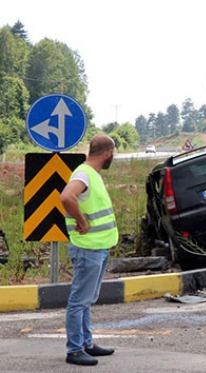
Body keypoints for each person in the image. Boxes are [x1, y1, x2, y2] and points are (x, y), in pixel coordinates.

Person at [59, 134, 119, 366]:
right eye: (113, 153)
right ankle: (74, 350)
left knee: (86, 300)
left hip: (97, 247)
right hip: (87, 248)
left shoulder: (92, 174)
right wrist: (82, 221)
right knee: (79, 300)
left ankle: (87, 344)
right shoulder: (84, 173)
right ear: (108, 153)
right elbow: (66, 197)